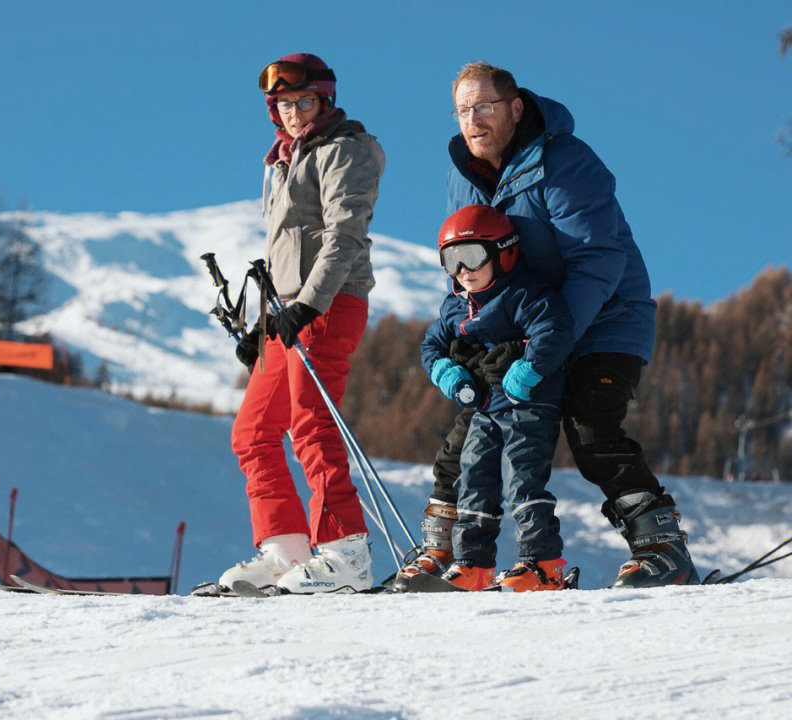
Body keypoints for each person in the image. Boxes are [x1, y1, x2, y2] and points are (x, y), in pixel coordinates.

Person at [398, 61, 698, 589]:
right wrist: (467, 341)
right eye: (463, 110)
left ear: (515, 108)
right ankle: (443, 553)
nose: (473, 119)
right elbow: (462, 266)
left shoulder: (564, 162)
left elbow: (598, 258)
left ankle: (661, 546)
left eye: (484, 106)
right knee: (473, 424)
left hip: (603, 318)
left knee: (590, 423)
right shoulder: (461, 175)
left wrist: (547, 345)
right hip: (515, 328)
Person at [218, 53, 385, 594]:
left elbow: (344, 236)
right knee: (253, 433)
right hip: (289, 312)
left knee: (312, 422)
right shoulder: (283, 161)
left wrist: (310, 305)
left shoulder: (344, 152)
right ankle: (286, 551)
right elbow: (287, 250)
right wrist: (262, 326)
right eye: (284, 105)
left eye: (304, 102)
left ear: (325, 101)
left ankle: (345, 551)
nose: (293, 113)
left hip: (330, 304)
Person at [416, 204, 575, 591]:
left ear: (503, 252)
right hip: (485, 409)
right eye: (451, 260)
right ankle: (473, 564)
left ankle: (543, 565)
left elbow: (553, 329)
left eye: (470, 256)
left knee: (521, 477)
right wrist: (448, 374)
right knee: (472, 477)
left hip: (527, 404)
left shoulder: (520, 292)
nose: (462, 270)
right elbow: (430, 347)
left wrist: (528, 369)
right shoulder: (455, 305)